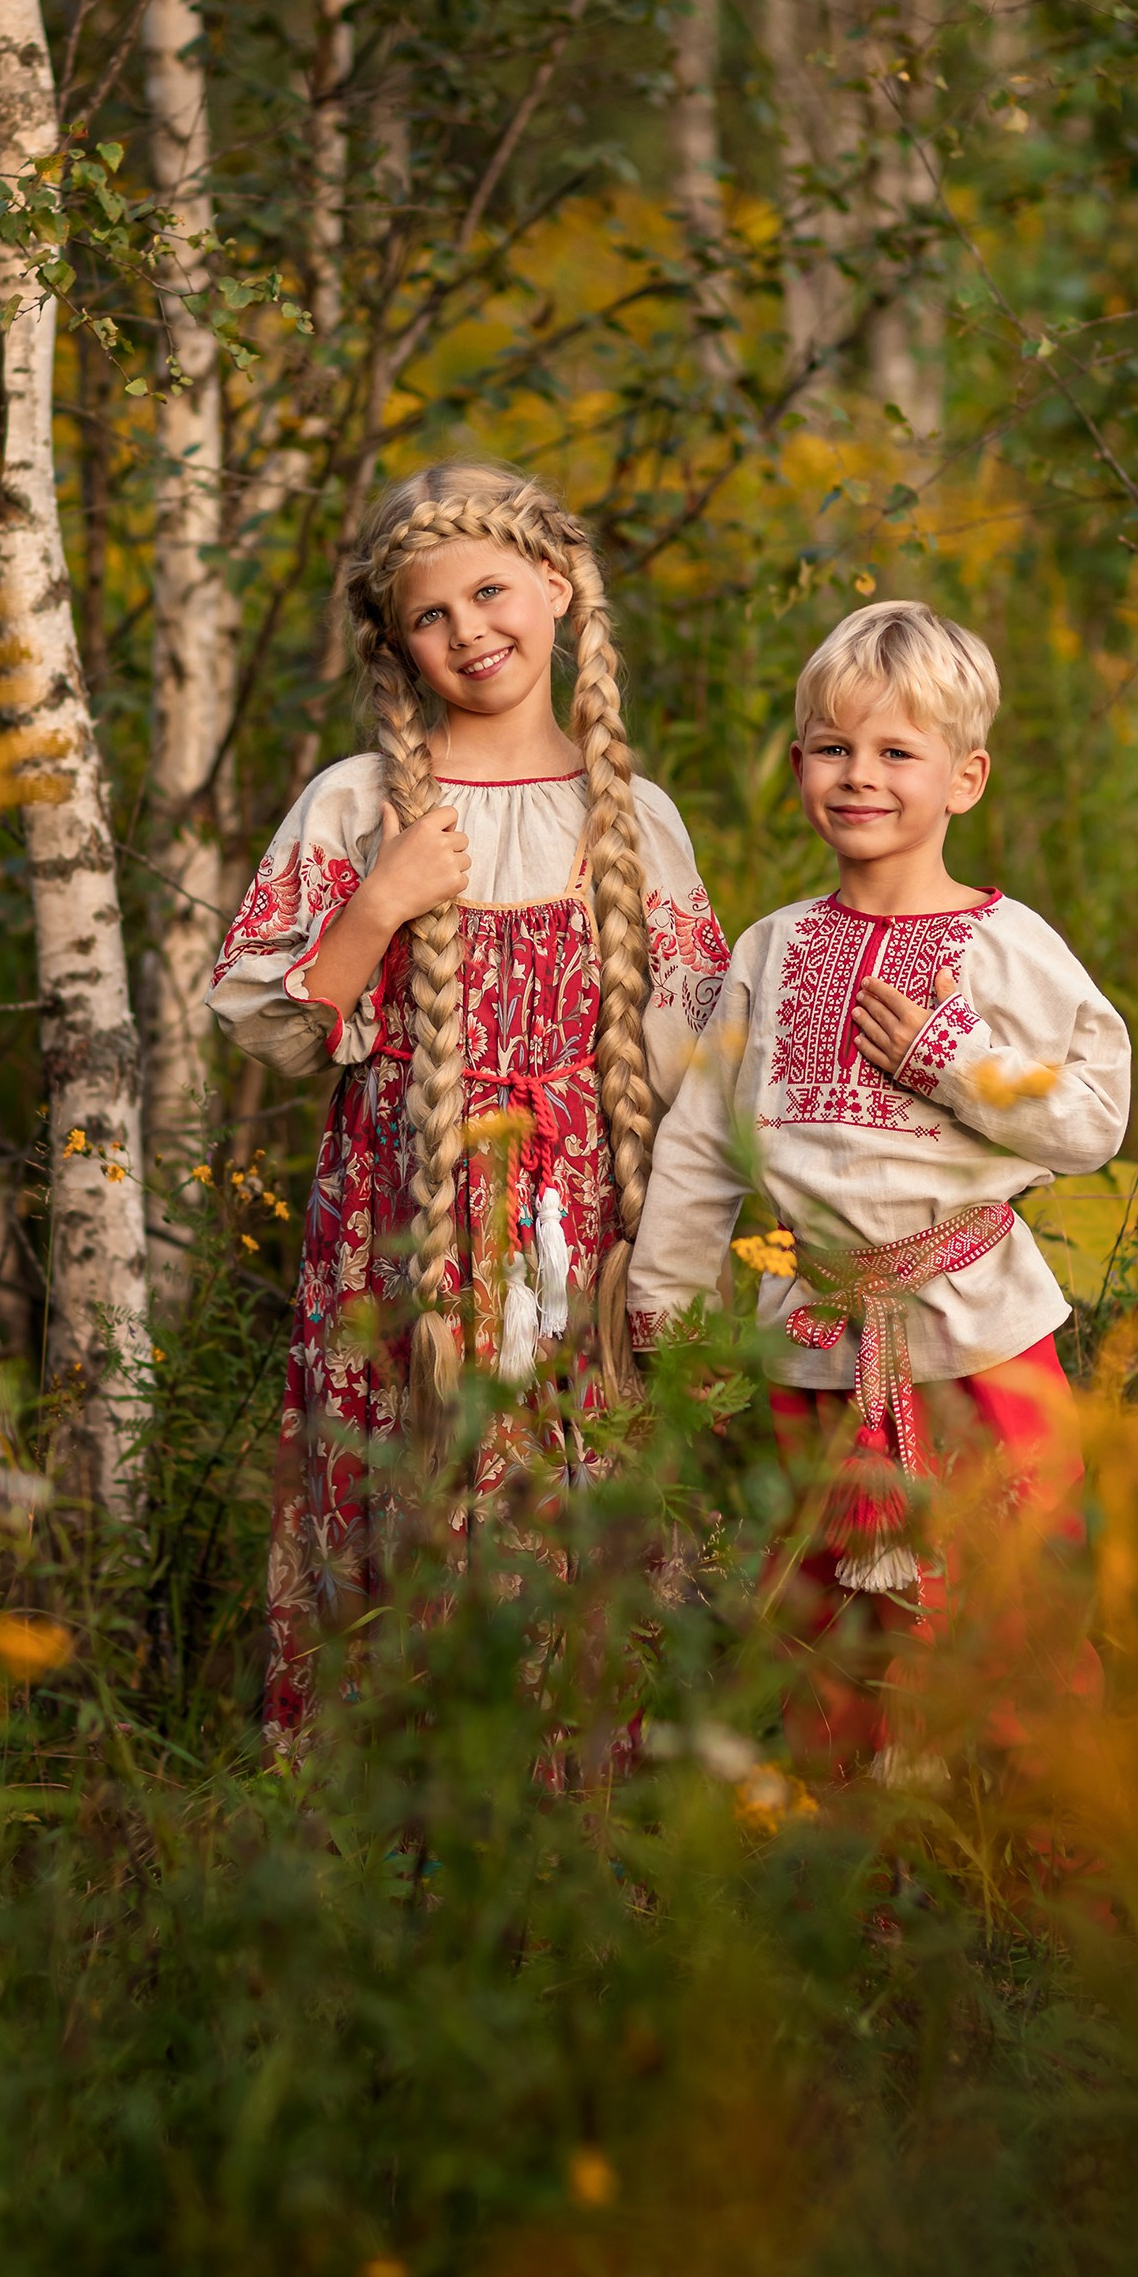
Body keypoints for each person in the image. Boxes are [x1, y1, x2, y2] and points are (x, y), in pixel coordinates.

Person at [209, 463, 727, 1735]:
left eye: (490, 592)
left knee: (570, 1513)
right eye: (429, 618)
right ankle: (396, 1846)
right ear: (396, 647)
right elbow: (269, 1025)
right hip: (400, 1239)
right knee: (407, 1499)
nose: (468, 634)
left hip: (580, 1243)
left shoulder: (630, 819)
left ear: (556, 588)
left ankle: (576, 1822)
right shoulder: (354, 806)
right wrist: (380, 899)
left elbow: (701, 1057)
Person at [627, 599, 1131, 1774]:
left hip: (978, 1333)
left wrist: (948, 1060)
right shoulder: (771, 949)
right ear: (798, 763)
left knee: (1014, 1593)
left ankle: (1038, 1859)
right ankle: (851, 1870)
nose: (858, 777)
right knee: (824, 1608)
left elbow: (1089, 1119)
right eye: (830, 747)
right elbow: (701, 1144)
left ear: (964, 777)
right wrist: (666, 1306)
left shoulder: (1005, 945)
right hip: (817, 1335)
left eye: (895, 751)